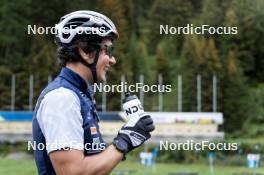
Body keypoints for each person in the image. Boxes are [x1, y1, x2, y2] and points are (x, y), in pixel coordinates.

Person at [32, 10, 155, 175]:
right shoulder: (62, 98)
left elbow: (92, 163)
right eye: (106, 50)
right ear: (85, 51)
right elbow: (73, 172)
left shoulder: (79, 95)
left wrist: (127, 140)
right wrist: (124, 141)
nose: (112, 60)